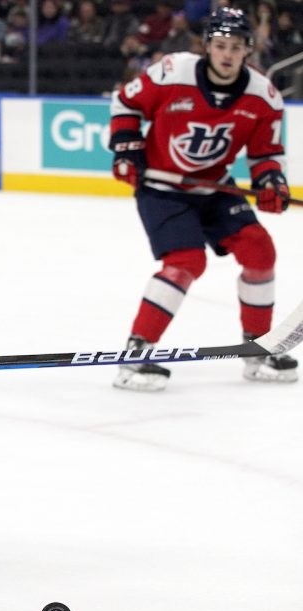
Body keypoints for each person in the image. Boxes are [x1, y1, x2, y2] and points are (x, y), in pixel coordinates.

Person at [109, 7, 298, 391]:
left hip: (215, 187)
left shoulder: (264, 96)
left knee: (260, 251)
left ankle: (257, 350)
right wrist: (127, 151)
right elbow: (126, 103)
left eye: (236, 47)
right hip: (162, 190)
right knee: (185, 261)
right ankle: (136, 354)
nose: (227, 54)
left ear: (249, 50)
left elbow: (265, 155)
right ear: (207, 47)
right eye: (220, 45)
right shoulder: (173, 72)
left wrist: (271, 183)